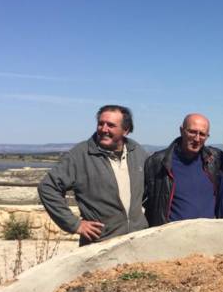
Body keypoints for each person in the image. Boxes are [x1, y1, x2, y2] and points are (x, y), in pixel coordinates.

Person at [38, 105, 148, 246]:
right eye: (101, 124)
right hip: (100, 244)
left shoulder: (137, 152)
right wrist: (75, 224)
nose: (104, 129)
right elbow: (48, 187)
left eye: (111, 125)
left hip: (137, 239)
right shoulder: (81, 154)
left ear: (125, 130)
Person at [143, 113, 221, 227]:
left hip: (207, 235)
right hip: (171, 236)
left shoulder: (215, 159)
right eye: (192, 132)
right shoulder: (158, 162)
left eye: (202, 134)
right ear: (181, 130)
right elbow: (140, 198)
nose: (197, 138)